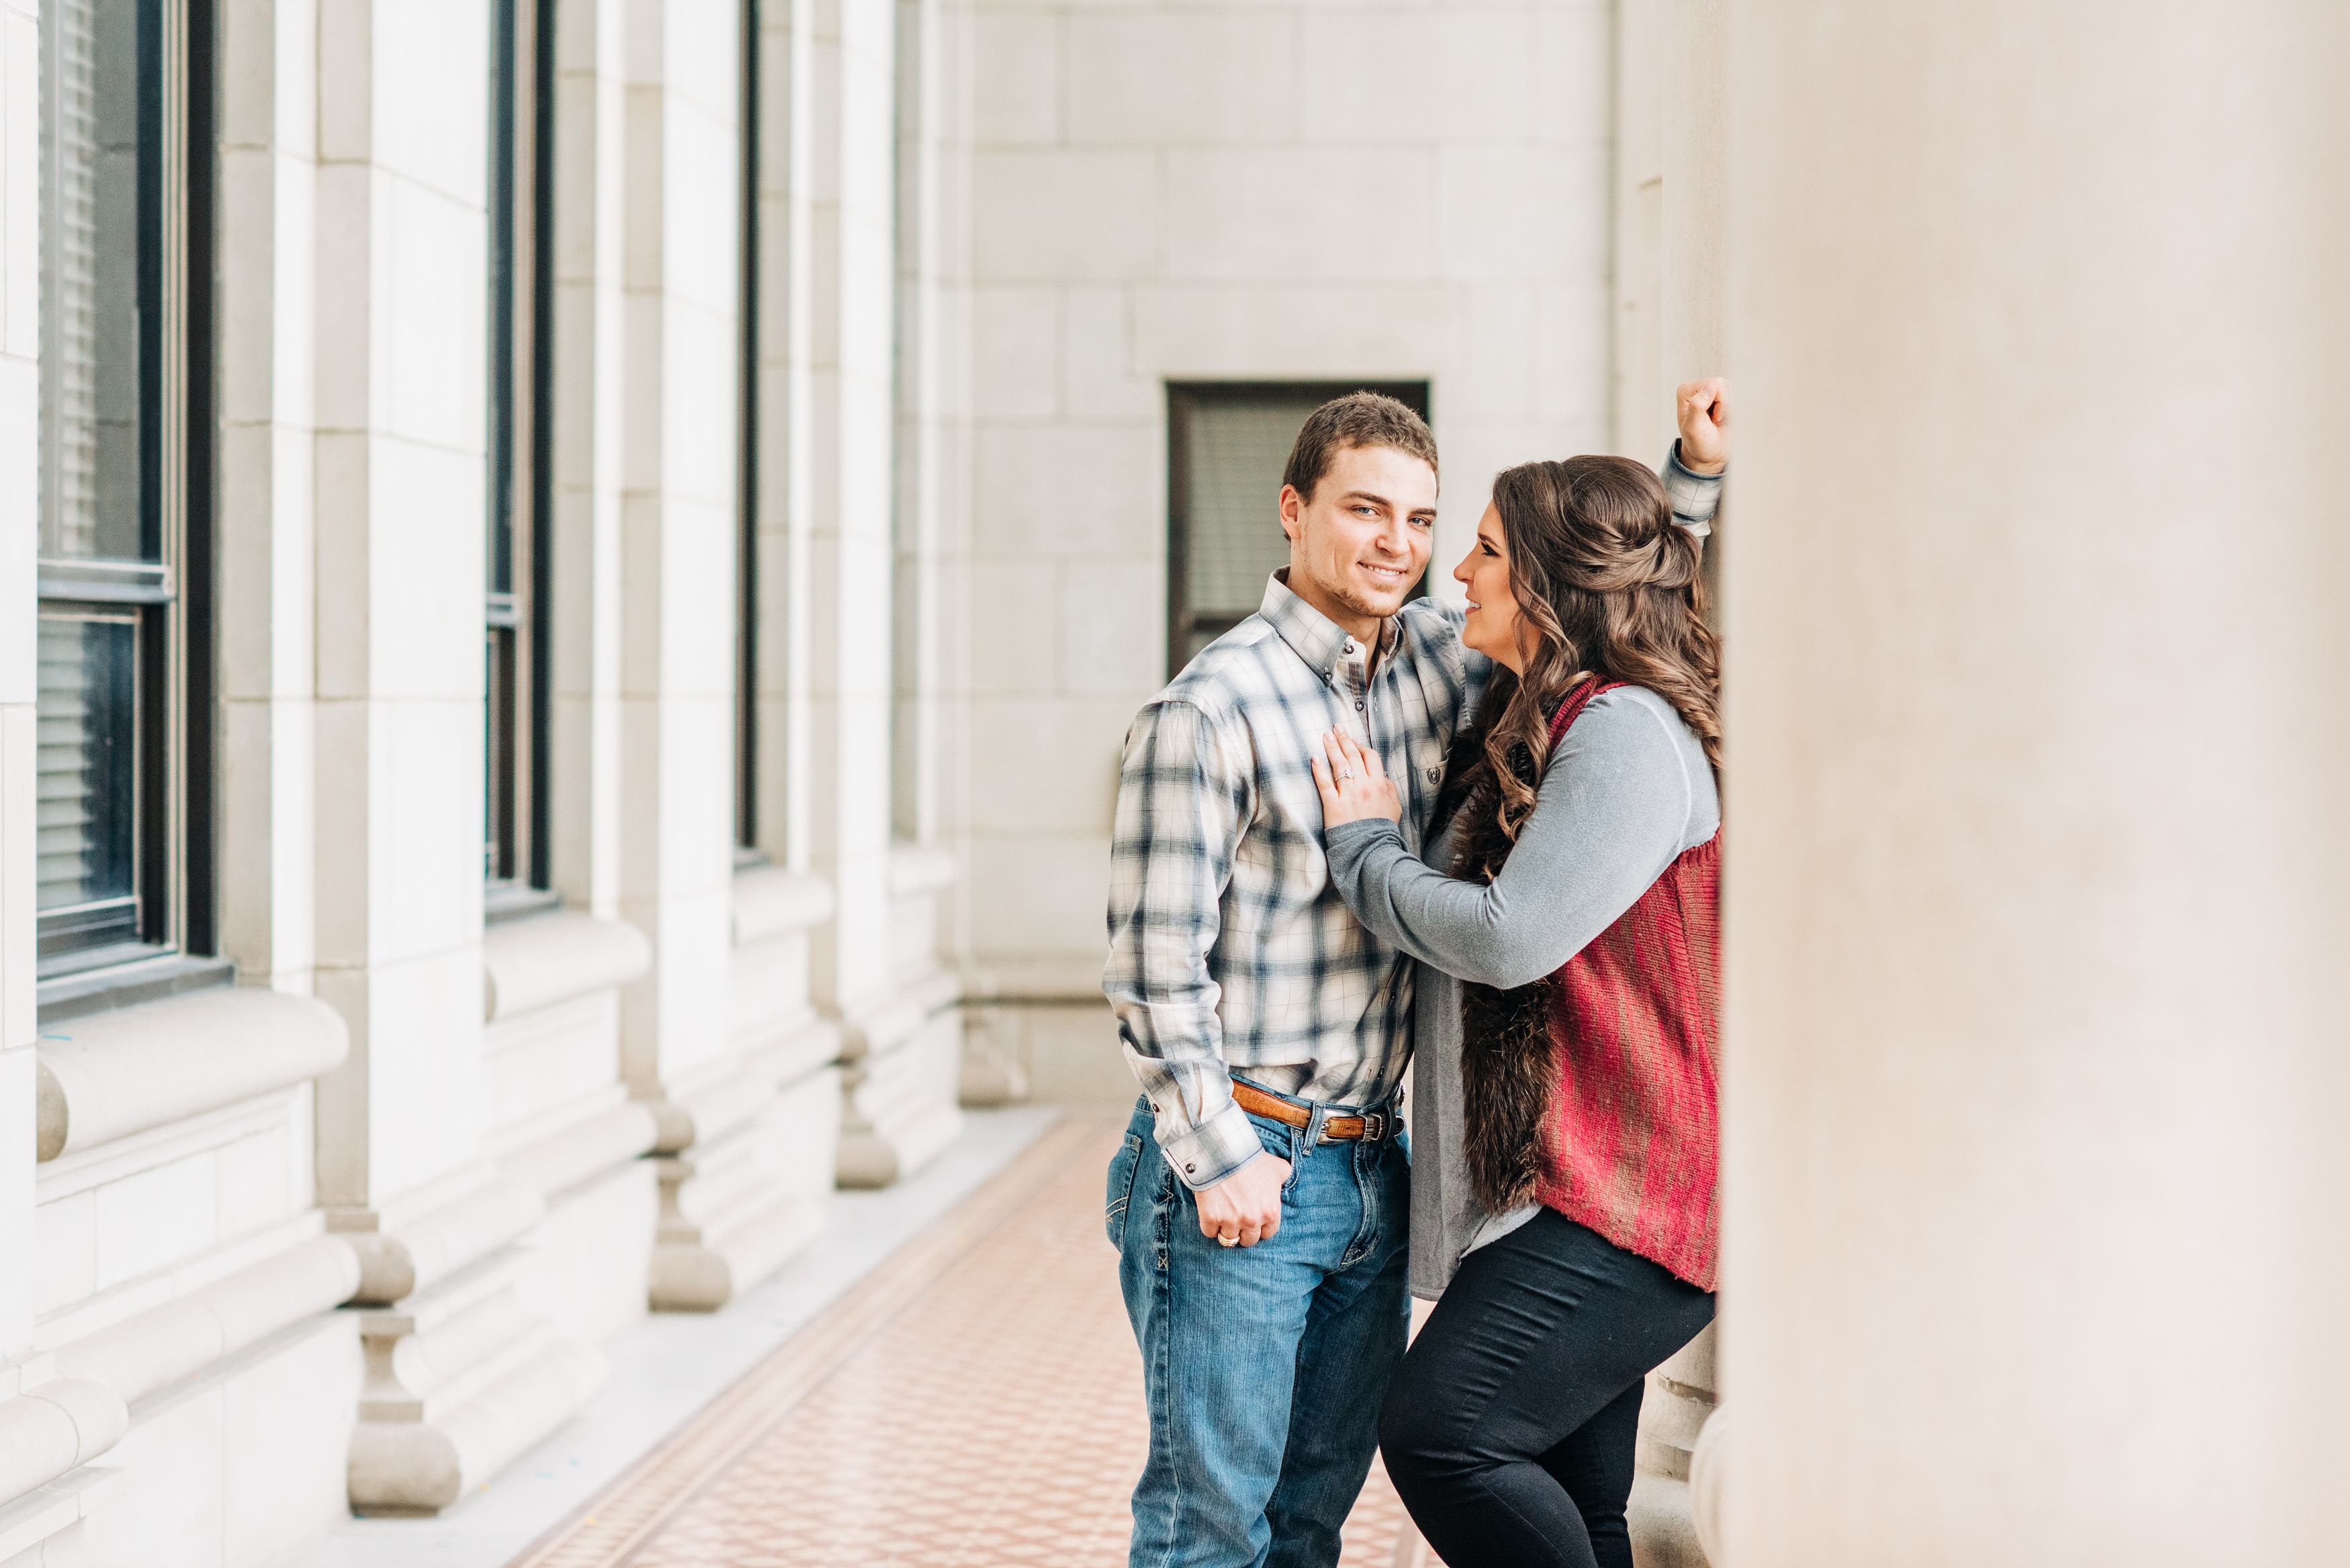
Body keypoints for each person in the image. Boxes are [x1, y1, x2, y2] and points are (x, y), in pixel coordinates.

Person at [1104, 385, 1727, 1568]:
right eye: (1364, 510)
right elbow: (1151, 971)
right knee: (1210, 1524)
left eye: (1427, 521)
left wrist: (1686, 480)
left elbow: (1600, 596)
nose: (1401, 545)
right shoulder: (1208, 710)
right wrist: (1215, 1153)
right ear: (1292, 511)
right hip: (1249, 1161)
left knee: (1306, 1524)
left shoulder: (1440, 667)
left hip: (1367, 1169)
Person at [1311, 436, 1727, 1568]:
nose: (1456, 572)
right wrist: (1688, 475)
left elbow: (1509, 937)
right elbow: (1626, 548)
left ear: (1543, 587)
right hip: (1584, 1177)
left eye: (1485, 552)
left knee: (1444, 1434)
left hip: (1634, 1193)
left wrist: (1363, 849)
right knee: (1579, 1502)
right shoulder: (1551, 709)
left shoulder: (1625, 734)